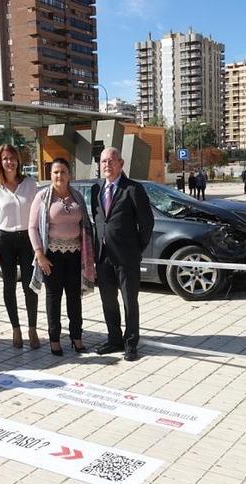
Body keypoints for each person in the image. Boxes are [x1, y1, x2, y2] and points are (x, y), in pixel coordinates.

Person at [90, 147, 154, 361]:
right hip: (103, 256)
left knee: (129, 301)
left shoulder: (133, 189)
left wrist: (136, 249)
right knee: (108, 301)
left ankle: (131, 343)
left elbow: (147, 223)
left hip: (127, 257)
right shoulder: (95, 190)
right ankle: (114, 339)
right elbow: (99, 221)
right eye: (103, 161)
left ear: (121, 163)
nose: (107, 164)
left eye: (111, 160)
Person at [28, 158, 96, 356]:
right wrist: (39, 254)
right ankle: (55, 339)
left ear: (69, 175)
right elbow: (32, 227)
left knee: (74, 298)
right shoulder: (42, 197)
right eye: (56, 172)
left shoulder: (77, 197)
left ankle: (77, 337)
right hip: (52, 256)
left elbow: (86, 225)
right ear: (51, 175)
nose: (59, 176)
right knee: (53, 297)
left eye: (63, 172)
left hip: (76, 255)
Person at [0, 144, 40, 349]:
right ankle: (16, 329)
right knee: (9, 285)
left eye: (13, 158)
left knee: (30, 286)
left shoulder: (30, 184)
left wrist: (39, 245)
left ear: (19, 161)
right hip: (4, 240)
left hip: (27, 239)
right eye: (5, 159)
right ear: (0, 162)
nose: (9, 162)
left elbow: (37, 215)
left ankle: (32, 329)